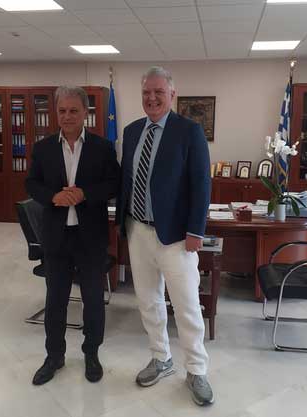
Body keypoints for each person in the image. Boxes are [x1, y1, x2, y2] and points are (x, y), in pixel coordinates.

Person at [116, 67, 213, 406]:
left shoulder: (189, 131)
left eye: (159, 92)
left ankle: (197, 369)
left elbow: (201, 183)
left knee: (186, 304)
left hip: (176, 237)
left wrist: (195, 230)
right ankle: (161, 358)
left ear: (172, 94)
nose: (152, 98)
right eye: (146, 92)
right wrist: (122, 222)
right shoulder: (131, 132)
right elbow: (127, 179)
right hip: (138, 230)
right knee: (148, 300)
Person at [26, 86, 120, 386]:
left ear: (85, 113)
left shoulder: (102, 147)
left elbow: (115, 183)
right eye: (62, 110)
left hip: (90, 236)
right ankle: (54, 356)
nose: (67, 116)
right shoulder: (43, 148)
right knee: (56, 300)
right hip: (56, 237)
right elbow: (31, 184)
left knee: (93, 300)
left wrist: (85, 193)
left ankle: (91, 354)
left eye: (73, 110)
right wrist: (53, 197)